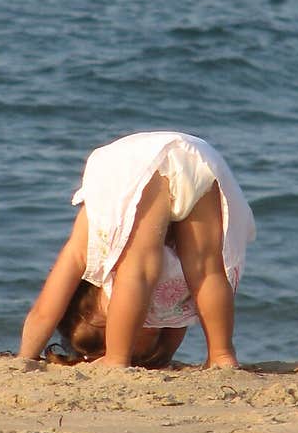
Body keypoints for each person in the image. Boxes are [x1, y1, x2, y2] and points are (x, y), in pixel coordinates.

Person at [18, 131, 255, 368]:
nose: (142, 318)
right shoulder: (168, 302)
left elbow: (45, 312)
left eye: (105, 321)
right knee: (207, 269)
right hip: (197, 153)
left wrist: (26, 356)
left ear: (91, 295)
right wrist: (165, 356)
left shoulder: (87, 252)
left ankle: (117, 358)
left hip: (134, 162)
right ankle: (222, 355)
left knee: (136, 270)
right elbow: (178, 320)